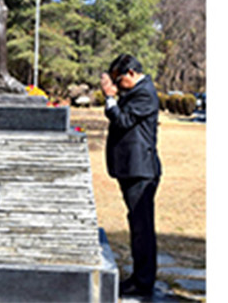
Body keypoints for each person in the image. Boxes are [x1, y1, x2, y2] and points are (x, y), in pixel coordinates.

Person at [100, 54, 162, 300]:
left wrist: (109, 97)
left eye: (119, 80)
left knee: (142, 228)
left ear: (132, 74)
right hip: (132, 169)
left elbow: (123, 120)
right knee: (138, 226)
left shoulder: (145, 93)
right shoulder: (136, 91)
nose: (117, 85)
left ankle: (144, 282)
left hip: (141, 171)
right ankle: (139, 277)